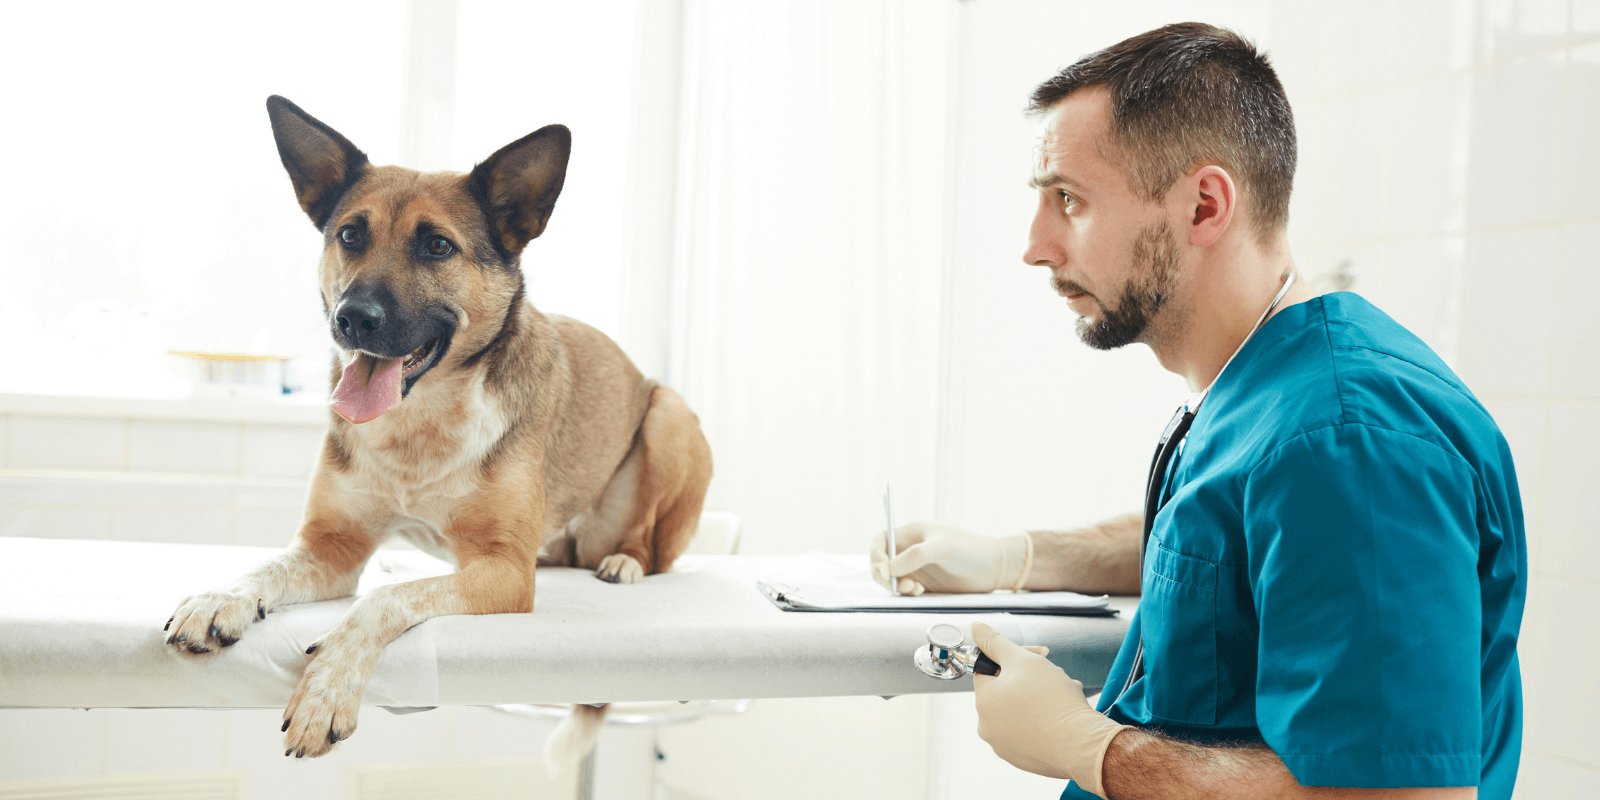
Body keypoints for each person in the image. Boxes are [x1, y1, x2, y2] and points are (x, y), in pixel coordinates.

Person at [870, 22, 1524, 800]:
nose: (1036, 245)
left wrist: (1088, 747)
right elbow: (1227, 546)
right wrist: (1017, 558)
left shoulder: (1350, 443)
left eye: (1068, 199)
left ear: (1205, 206)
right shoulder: (1266, 386)